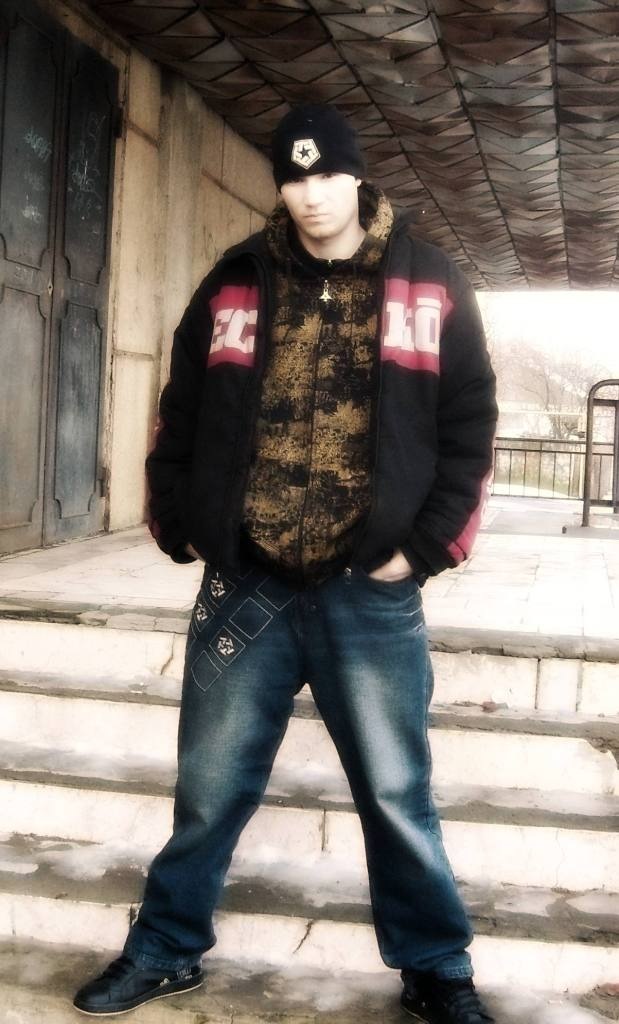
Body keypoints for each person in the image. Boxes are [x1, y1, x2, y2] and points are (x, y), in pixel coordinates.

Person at [73, 103, 497, 1023]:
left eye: (327, 175)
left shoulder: (427, 282)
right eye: (294, 178)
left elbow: (468, 425)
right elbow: (181, 410)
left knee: (395, 793)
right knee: (209, 787)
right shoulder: (236, 280)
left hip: (367, 592)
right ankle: (165, 949)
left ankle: (435, 969)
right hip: (247, 585)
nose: (311, 194)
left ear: (357, 177)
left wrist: (424, 547)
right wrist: (180, 520)